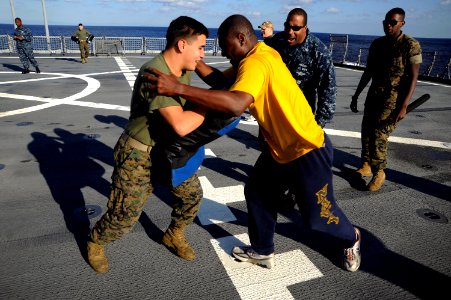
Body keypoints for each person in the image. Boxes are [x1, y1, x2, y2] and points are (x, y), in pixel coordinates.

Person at [147, 14, 361, 272]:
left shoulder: (256, 63)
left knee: (318, 218)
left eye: (227, 49)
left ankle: (352, 238)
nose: (226, 55)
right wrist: (194, 61)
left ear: (241, 38)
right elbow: (223, 83)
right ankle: (262, 250)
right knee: (258, 192)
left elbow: (236, 103)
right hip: (278, 149)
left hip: (306, 149)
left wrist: (178, 89)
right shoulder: (258, 53)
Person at [86, 16, 210, 273]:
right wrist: (215, 108)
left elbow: (215, 77)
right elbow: (181, 125)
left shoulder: (185, 68)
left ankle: (173, 234)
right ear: (181, 45)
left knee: (192, 197)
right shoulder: (155, 74)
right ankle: (96, 240)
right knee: (123, 217)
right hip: (138, 155)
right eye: (200, 47)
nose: (203, 54)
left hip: (168, 151)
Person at [350, 7, 422, 192]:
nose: (388, 26)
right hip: (374, 95)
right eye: (386, 22)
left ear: (402, 23)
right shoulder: (378, 44)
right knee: (366, 130)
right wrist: (356, 94)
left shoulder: (410, 45)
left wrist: (404, 105)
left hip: (393, 99)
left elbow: (414, 77)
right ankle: (366, 164)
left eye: (393, 22)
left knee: (380, 134)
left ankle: (379, 171)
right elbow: (369, 71)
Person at [266, 8, 336, 128]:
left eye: (296, 28)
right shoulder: (276, 42)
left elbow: (328, 88)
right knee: (268, 146)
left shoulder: (318, 51)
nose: (290, 31)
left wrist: (319, 124)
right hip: (273, 111)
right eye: (287, 26)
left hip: (300, 116)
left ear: (305, 28)